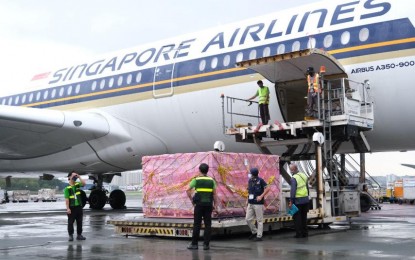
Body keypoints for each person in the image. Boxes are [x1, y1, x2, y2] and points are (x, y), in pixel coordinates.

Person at [186, 163, 218, 250]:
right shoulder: (212, 180)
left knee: (197, 224)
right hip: (208, 205)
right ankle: (206, 245)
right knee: (208, 225)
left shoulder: (196, 180)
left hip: (199, 205)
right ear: (207, 170)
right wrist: (215, 205)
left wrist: (192, 200)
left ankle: (194, 244)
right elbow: (215, 194)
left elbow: (188, 190)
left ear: (199, 170)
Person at [245, 167, 270, 241]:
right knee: (248, 219)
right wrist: (247, 199)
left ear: (253, 174)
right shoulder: (250, 181)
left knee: (259, 220)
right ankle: (254, 231)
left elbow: (267, 188)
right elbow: (249, 191)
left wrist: (261, 196)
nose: (249, 174)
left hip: (258, 203)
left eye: (250, 173)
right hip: (250, 202)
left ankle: (259, 236)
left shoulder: (260, 180)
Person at [288, 164, 310, 238]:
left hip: (298, 201)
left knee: (297, 218)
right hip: (305, 200)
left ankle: (299, 234)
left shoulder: (294, 178)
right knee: (304, 217)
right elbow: (307, 187)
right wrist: (307, 196)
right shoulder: (304, 175)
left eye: (290, 170)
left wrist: (291, 201)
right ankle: (305, 233)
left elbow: (293, 191)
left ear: (292, 170)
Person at [64, 170, 86, 241]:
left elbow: (84, 183)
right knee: (70, 222)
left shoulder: (77, 184)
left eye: (75, 176)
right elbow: (67, 199)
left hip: (79, 206)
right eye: (73, 176)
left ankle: (79, 235)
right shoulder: (67, 188)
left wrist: (79, 176)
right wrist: (68, 208)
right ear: (69, 177)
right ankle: (71, 235)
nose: (74, 177)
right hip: (72, 207)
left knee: (79, 222)